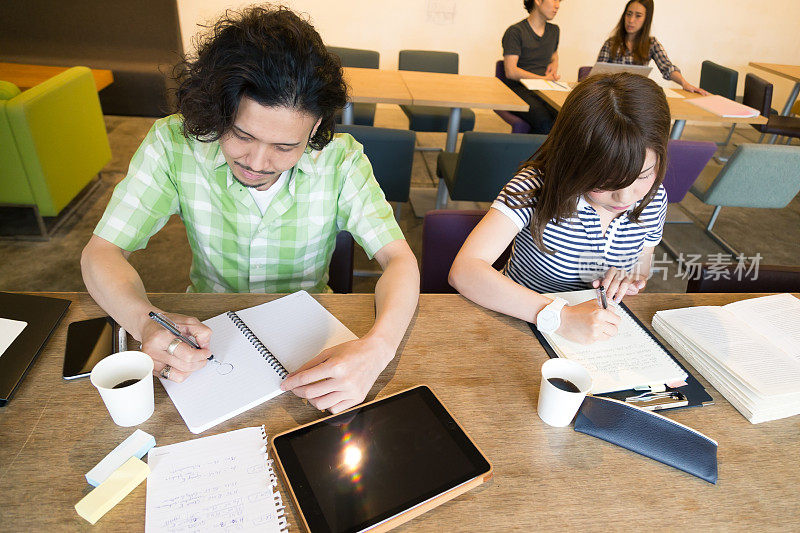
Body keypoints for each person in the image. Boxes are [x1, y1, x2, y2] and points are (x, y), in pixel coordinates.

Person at [80, 6, 419, 414]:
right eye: (242, 135)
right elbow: (102, 252)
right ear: (217, 110)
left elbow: (399, 259)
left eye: (284, 147)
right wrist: (143, 321)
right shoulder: (173, 144)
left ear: (313, 129)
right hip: (209, 332)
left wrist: (378, 348)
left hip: (310, 332)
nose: (257, 162)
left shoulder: (340, 160)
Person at [449, 73, 670, 345]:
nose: (625, 197)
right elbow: (465, 270)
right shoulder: (534, 187)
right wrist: (559, 317)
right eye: (604, 182)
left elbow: (644, 257)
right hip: (519, 323)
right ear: (575, 159)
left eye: (643, 175)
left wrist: (632, 277)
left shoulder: (655, 197)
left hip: (599, 334)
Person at [596, 0, 708, 95]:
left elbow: (667, 68)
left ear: (646, 19)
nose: (631, 20)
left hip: (637, 95)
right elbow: (598, 74)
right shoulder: (611, 43)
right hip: (612, 95)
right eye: (629, 14)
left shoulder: (651, 44)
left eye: (638, 16)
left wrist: (685, 83)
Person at [501, 0, 562, 134]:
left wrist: (554, 63)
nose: (557, 5)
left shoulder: (554, 31)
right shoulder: (515, 32)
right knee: (544, 121)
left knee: (563, 116)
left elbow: (554, 53)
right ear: (538, 1)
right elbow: (511, 71)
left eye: (559, 1)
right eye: (554, 0)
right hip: (518, 89)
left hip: (543, 89)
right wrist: (543, 79)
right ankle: (536, 154)